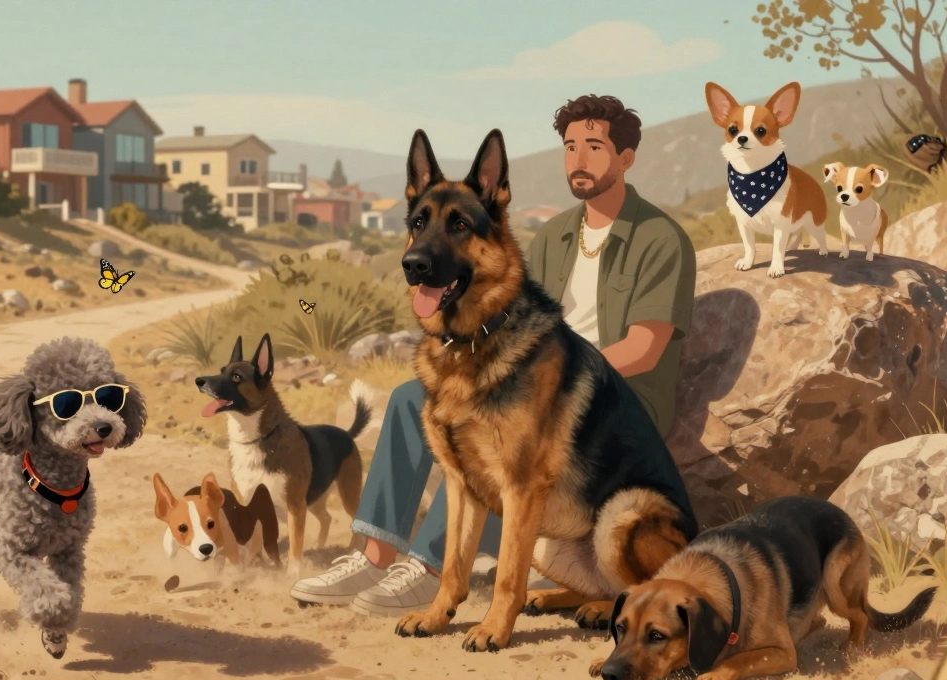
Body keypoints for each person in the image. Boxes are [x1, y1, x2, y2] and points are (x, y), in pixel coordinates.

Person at [290, 95, 697, 617]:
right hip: (534, 368)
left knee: (490, 433)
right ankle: (375, 555)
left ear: (626, 157)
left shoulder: (659, 237)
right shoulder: (555, 234)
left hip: (611, 402)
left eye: (595, 147)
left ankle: (430, 570)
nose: (579, 158)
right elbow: (510, 305)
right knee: (410, 399)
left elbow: (644, 347)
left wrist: (550, 373)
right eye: (570, 146)